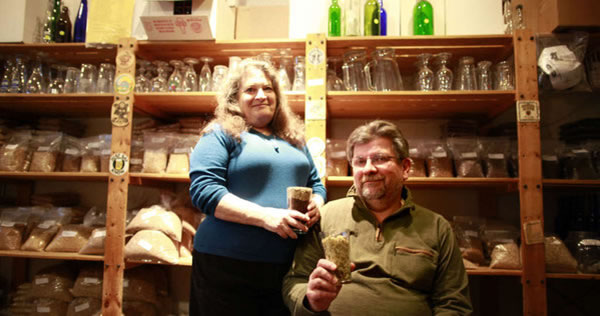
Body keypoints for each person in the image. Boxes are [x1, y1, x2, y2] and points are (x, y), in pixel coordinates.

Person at [282, 120, 472, 315]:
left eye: (380, 158)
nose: (368, 169)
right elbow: (294, 283)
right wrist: (311, 300)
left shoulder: (436, 227)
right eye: (360, 161)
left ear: (405, 167)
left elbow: (454, 304)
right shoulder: (326, 217)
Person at [188, 58, 326, 315]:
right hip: (226, 265)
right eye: (250, 90)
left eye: (268, 88)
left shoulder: (295, 139)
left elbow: (316, 184)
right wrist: (266, 217)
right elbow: (204, 191)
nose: (261, 95)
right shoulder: (221, 133)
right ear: (234, 99)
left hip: (287, 266)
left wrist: (317, 203)